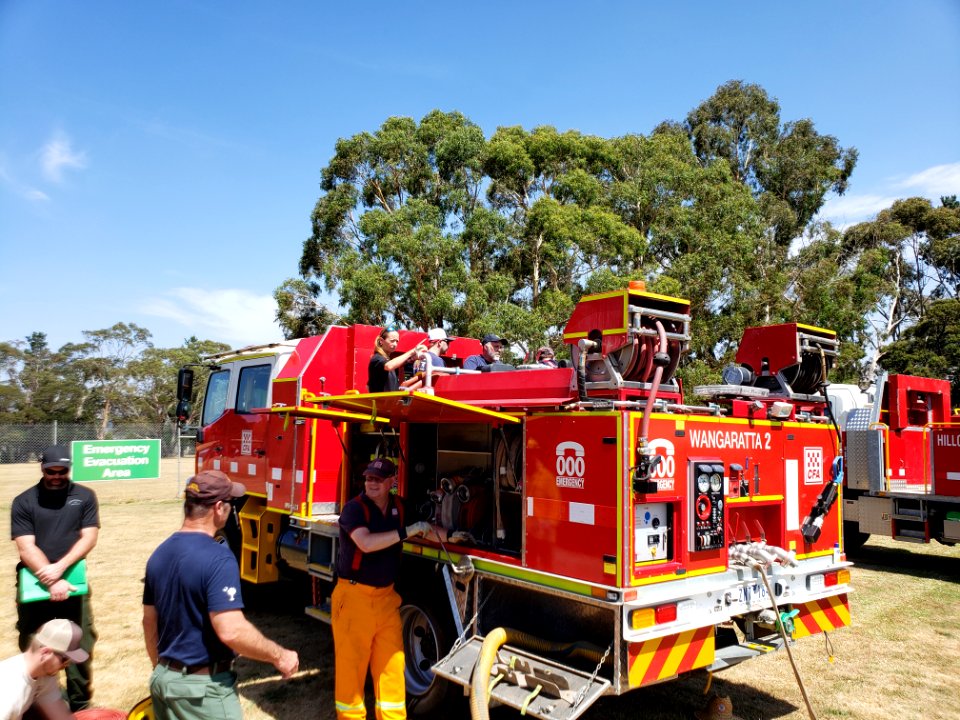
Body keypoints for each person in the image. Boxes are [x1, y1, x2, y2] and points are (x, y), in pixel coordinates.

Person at [142, 470, 299, 720]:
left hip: (164, 680)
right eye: (230, 503)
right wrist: (280, 656)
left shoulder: (159, 554)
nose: (230, 509)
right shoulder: (218, 558)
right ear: (218, 508)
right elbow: (231, 631)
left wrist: (161, 670)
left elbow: (150, 621)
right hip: (203, 692)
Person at [331, 458, 445, 720]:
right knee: (351, 675)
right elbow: (366, 543)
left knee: (392, 670)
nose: (371, 483)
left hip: (386, 600)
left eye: (378, 479)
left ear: (392, 481)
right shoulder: (354, 509)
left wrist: (449, 535)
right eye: (369, 478)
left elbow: (424, 530)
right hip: (353, 599)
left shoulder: (399, 507)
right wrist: (407, 531)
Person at [11, 445, 98, 712]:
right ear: (42, 468)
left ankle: (79, 705)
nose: (57, 476)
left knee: (80, 642)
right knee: (33, 642)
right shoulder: (24, 501)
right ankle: (33, 704)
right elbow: (26, 547)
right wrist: (50, 579)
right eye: (52, 471)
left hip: (71, 578)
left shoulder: (85, 496)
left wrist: (60, 569)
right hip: (36, 581)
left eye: (63, 471)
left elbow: (90, 536)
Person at [0, 618, 88, 720]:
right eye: (65, 660)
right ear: (46, 653)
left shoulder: (44, 676)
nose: (66, 665)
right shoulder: (9, 695)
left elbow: (61, 716)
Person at [368, 327, 427, 392]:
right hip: (382, 401)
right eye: (392, 341)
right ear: (381, 341)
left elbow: (368, 386)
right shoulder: (377, 358)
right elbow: (388, 366)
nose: (395, 344)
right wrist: (412, 351)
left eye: (397, 341)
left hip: (390, 401)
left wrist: (411, 359)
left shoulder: (387, 360)